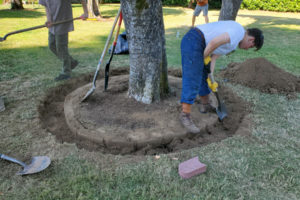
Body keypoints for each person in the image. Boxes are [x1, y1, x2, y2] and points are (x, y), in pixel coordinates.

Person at [180, 20, 264, 133]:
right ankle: (185, 115)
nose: (247, 48)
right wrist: (203, 58)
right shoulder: (238, 32)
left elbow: (214, 57)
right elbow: (214, 42)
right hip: (194, 40)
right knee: (193, 77)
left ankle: (205, 105)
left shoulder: (233, 44)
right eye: (250, 46)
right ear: (251, 40)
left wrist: (210, 74)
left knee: (203, 76)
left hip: (201, 45)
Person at [39, 0, 88, 81]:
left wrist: (86, 12)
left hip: (63, 21)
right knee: (52, 45)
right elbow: (46, 6)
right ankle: (71, 62)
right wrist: (49, 19)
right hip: (53, 23)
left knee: (61, 47)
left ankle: (66, 72)